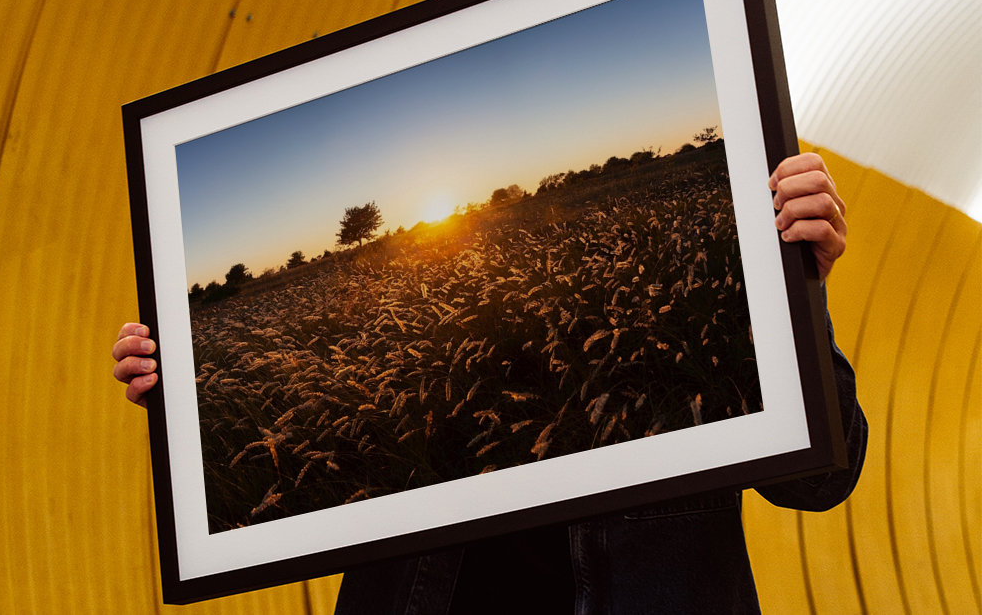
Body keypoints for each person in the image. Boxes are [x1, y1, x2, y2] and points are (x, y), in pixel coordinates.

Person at [113, 153, 867, 613]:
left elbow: (823, 480)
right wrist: (192, 390)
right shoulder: (409, 371)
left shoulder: (728, 271)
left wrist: (797, 286)